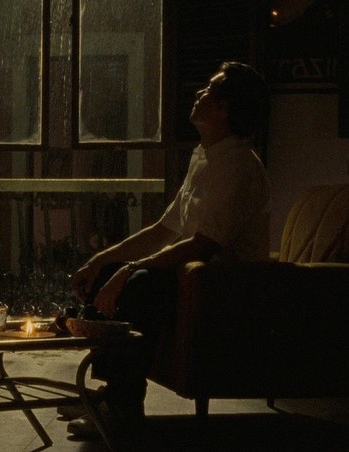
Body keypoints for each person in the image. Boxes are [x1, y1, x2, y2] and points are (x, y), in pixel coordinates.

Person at [64, 62, 271, 438]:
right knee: (108, 274)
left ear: (224, 107)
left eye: (208, 90)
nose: (198, 94)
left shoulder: (239, 166)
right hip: (192, 277)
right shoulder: (205, 156)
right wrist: (102, 260)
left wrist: (129, 270)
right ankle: (114, 391)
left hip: (224, 288)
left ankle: (123, 409)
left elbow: (203, 245)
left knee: (140, 284)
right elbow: (165, 229)